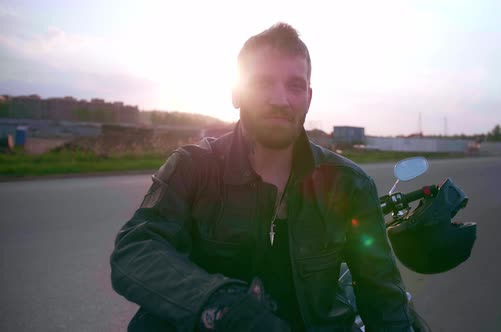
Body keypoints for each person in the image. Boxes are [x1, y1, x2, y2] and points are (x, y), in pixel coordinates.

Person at [110, 22, 414, 332]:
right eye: (263, 83)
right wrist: (220, 304)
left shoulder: (349, 184)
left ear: (308, 98)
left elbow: (383, 296)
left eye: (294, 86)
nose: (280, 100)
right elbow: (136, 249)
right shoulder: (192, 167)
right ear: (236, 93)